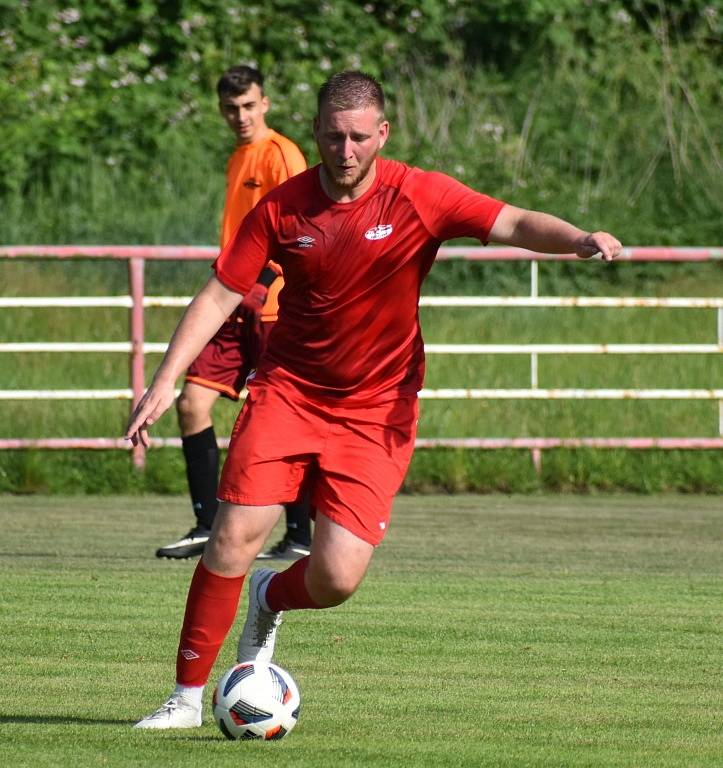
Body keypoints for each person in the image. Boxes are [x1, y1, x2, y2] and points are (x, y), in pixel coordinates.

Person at [127, 71, 622, 728]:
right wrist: (164, 381)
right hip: (289, 393)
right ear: (316, 133)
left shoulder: (419, 195)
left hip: (376, 410)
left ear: (381, 133)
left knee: (335, 579)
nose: (346, 150)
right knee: (234, 534)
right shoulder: (281, 207)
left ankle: (269, 597)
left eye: (359, 136)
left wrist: (577, 238)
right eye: (333, 136)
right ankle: (186, 698)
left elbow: (511, 220)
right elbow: (219, 292)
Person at [155, 64, 313, 562]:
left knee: (283, 414)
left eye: (248, 105)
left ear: (265, 102)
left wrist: (262, 282)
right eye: (230, 107)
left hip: (272, 306)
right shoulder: (237, 157)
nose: (240, 115)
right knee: (191, 405)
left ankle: (302, 535)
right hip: (235, 304)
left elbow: (299, 225)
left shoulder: (282, 153)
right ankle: (206, 524)